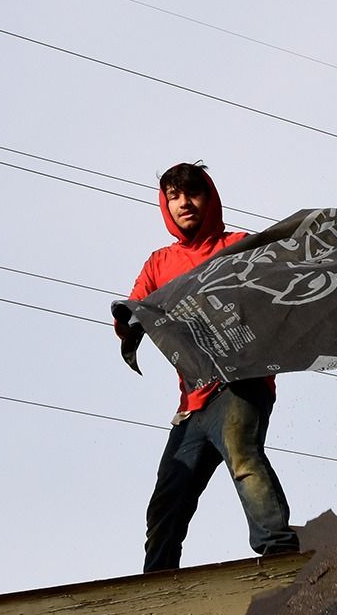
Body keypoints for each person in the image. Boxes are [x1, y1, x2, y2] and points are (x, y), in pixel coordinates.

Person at [116, 162, 298, 571]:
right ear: (165, 205)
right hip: (192, 404)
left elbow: (282, 291)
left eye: (191, 193)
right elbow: (135, 306)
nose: (184, 203)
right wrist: (125, 322)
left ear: (209, 197)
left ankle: (280, 553)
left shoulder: (238, 247)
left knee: (243, 458)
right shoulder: (160, 264)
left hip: (239, 385)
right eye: (173, 196)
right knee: (168, 497)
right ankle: (157, 584)